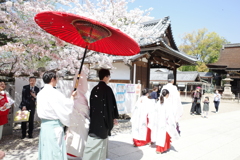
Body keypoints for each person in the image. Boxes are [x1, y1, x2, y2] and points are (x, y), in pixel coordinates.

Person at [37, 71, 77, 160]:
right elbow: (66, 106)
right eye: (57, 78)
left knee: (46, 149)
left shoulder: (40, 93)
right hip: (54, 126)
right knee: (56, 150)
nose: (57, 80)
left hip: (44, 126)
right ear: (52, 79)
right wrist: (72, 97)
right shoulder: (54, 93)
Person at [82, 69, 119, 160]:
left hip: (95, 120)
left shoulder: (94, 89)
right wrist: (114, 117)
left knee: (97, 141)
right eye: (109, 77)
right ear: (106, 77)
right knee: (99, 141)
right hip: (104, 120)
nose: (109, 78)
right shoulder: (108, 89)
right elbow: (111, 105)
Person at [66, 70, 90, 159]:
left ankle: (78, 152)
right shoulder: (75, 91)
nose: (83, 83)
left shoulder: (82, 94)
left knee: (80, 135)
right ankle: (73, 153)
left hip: (81, 117)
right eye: (81, 81)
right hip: (76, 117)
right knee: (76, 134)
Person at [154, 89, 180, 154]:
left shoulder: (158, 102)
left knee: (160, 135)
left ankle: (159, 148)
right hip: (165, 122)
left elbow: (155, 111)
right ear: (167, 94)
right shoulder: (167, 103)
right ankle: (160, 149)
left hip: (159, 121)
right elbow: (170, 114)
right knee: (165, 135)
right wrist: (173, 121)